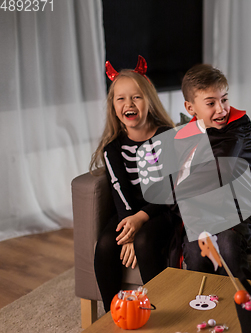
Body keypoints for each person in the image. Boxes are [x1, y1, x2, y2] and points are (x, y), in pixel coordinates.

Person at [89, 56, 177, 312]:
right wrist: (128, 229)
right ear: (113, 107)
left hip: (161, 211)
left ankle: (160, 308)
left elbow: (169, 187)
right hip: (128, 212)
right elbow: (120, 191)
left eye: (136, 97)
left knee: (145, 242)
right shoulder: (113, 148)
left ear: (149, 100)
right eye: (121, 98)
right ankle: (113, 313)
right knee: (106, 244)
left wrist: (140, 220)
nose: (129, 103)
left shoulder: (166, 137)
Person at [173, 63, 251, 279]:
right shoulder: (184, 136)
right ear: (191, 109)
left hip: (236, 213)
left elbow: (220, 170)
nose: (221, 109)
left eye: (224, 99)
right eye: (211, 103)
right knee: (195, 251)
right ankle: (203, 305)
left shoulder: (239, 125)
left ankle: (244, 303)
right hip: (200, 216)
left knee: (227, 242)